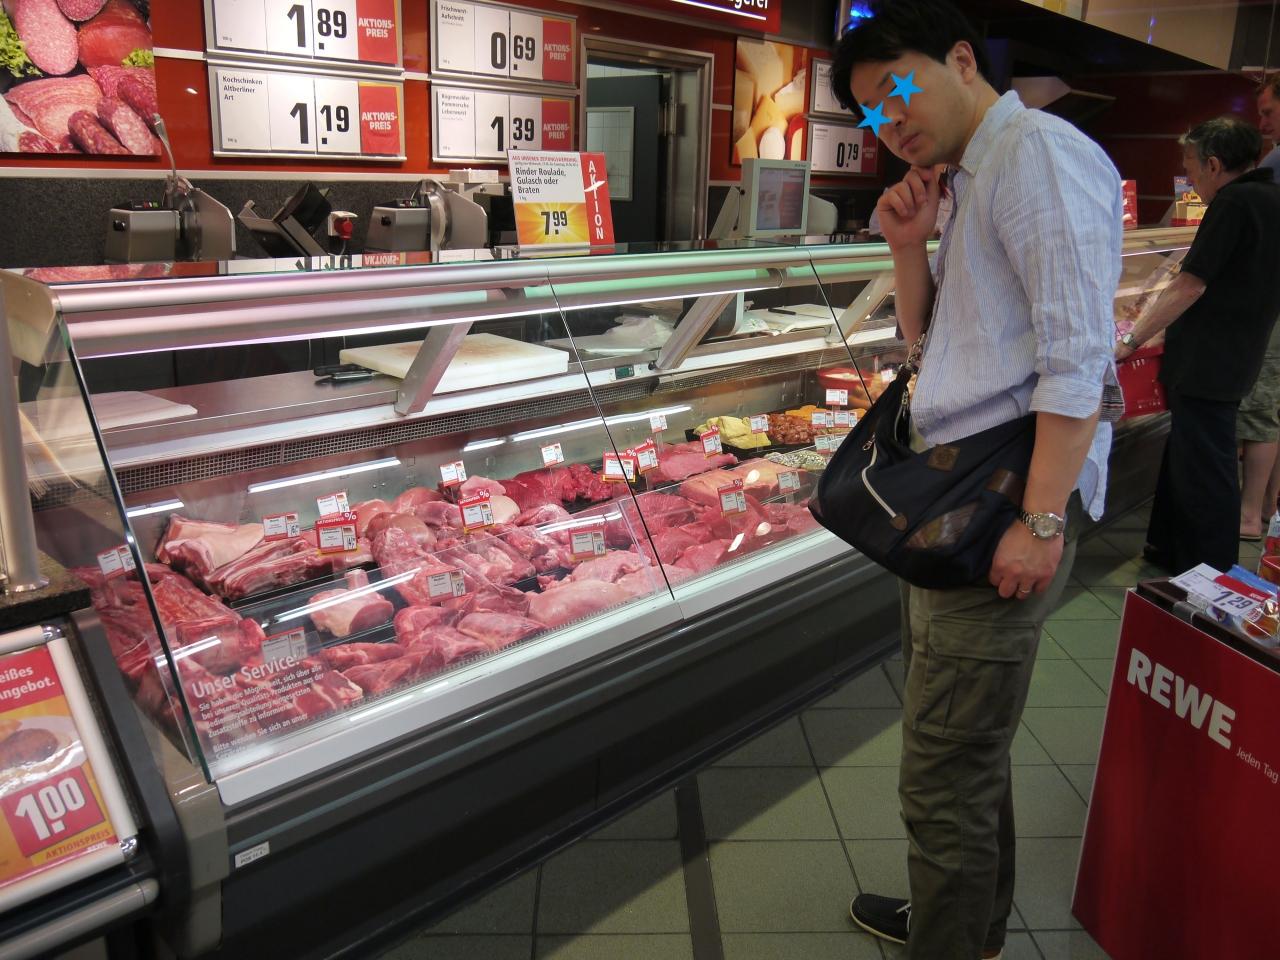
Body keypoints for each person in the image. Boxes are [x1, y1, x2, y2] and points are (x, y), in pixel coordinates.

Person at [829, 2, 1121, 958]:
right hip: (951, 502)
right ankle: (971, 927)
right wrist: (907, 247)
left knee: (942, 774)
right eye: (871, 111)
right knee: (965, 750)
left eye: (896, 89)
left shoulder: (1036, 156)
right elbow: (935, 348)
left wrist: (1041, 522)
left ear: (960, 58)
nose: (889, 120)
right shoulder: (966, 178)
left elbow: (1079, 361)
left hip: (1000, 504)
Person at [1117, 116, 1280, 572]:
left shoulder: (1233, 202)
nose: (1187, 176)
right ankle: (1168, 547)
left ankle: (1207, 568)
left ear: (1213, 164)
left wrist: (1131, 339)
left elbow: (1190, 284)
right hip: (1238, 352)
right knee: (1190, 454)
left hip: (1209, 359)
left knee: (1207, 463)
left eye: (1189, 165)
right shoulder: (1272, 197)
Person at [1240, 75, 1280, 537]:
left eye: (1268, 112)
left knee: (1260, 410)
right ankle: (1268, 504)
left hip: (1272, 307)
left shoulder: (1275, 163)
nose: (1262, 123)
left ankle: (1249, 515)